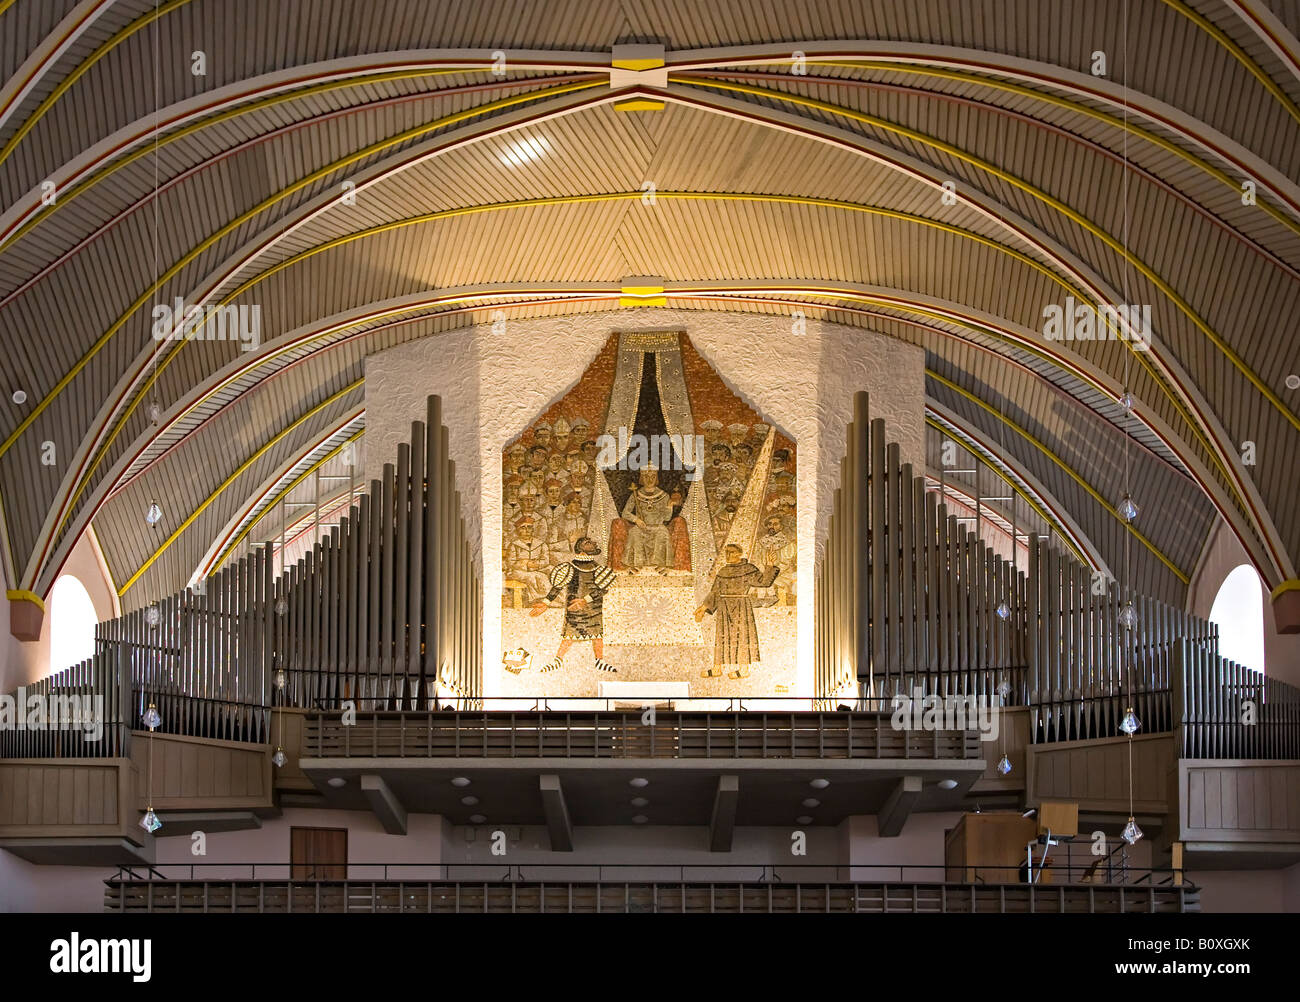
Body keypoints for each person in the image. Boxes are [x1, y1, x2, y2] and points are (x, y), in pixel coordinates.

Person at [530, 537, 617, 673]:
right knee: (570, 634)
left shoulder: (599, 569)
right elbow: (557, 586)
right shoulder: (569, 567)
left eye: (592, 542)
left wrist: (585, 600)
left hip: (593, 607)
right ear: (580, 549)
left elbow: (602, 590)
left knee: (597, 634)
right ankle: (558, 660)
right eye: (588, 542)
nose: (594, 543)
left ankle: (599, 661)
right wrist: (546, 602)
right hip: (574, 607)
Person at [695, 544, 779, 679]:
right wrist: (703, 607)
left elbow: (763, 582)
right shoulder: (723, 571)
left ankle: (743, 669)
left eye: (732, 552)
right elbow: (715, 592)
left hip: (741, 606)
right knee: (722, 636)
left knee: (742, 636)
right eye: (727, 553)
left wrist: (769, 565)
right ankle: (717, 668)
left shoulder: (748, 569)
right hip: (724, 607)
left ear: (739, 553)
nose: (728, 555)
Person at [620, 465, 674, 572]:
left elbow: (667, 517)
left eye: (653, 476)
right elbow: (625, 513)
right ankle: (637, 564)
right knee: (634, 532)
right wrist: (637, 520)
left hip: (657, 526)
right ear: (641, 478)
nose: (650, 480)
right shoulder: (636, 494)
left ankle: (660, 565)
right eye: (646, 477)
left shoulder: (664, 495)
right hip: (641, 527)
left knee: (662, 533)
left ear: (656, 478)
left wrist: (669, 506)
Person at [504, 516, 551, 602]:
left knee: (548, 574)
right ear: (518, 530)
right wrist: (525, 564)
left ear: (533, 529)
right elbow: (510, 563)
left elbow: (546, 560)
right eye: (523, 527)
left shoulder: (541, 544)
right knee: (532, 576)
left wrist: (536, 564)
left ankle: (550, 599)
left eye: (529, 527)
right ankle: (537, 599)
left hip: (537, 569)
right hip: (517, 571)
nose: (526, 530)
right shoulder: (514, 545)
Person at [753, 514, 797, 605]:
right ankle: (761, 600)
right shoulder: (761, 542)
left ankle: (771, 598)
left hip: (782, 573)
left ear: (781, 527)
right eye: (769, 524)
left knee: (770, 580)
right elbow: (757, 559)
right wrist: (764, 571)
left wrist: (771, 572)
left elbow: (786, 563)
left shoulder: (787, 542)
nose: (772, 526)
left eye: (775, 524)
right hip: (764, 571)